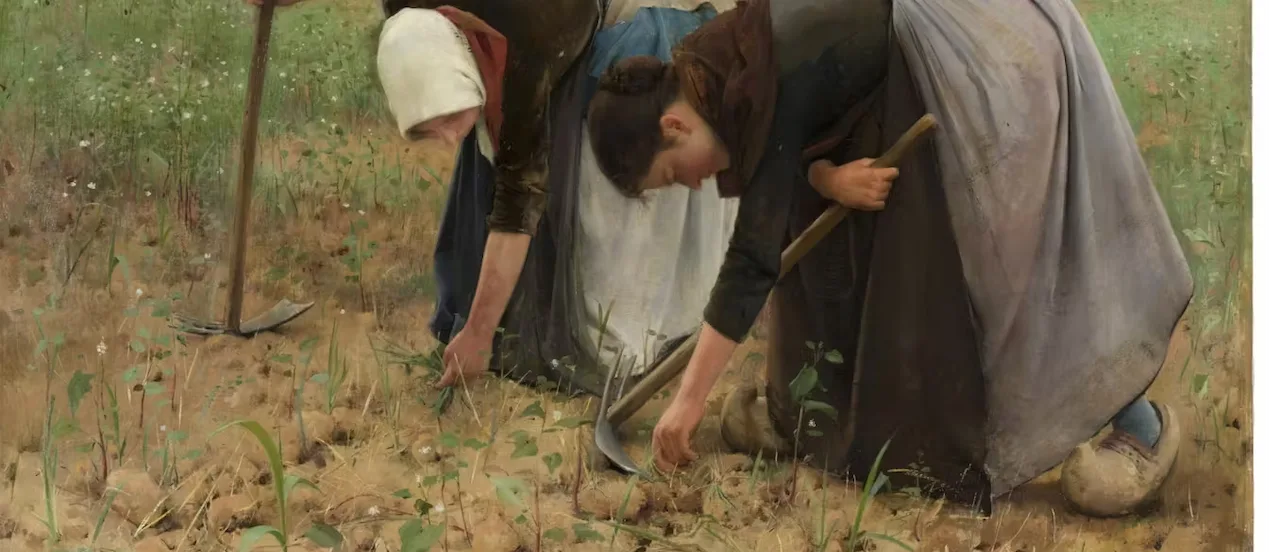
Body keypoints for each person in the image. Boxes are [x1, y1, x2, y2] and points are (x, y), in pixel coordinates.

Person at [585, 0, 1194, 517]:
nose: (692, 187)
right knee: (814, 219)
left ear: (672, 125)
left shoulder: (757, 67)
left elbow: (752, 259)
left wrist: (688, 401)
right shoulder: (716, 66)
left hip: (986, 69)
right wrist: (825, 178)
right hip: (894, 80)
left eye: (672, 175)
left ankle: (1139, 424)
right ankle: (806, 412)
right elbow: (803, 123)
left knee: (1003, 271)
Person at [249, 0, 743, 398]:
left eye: (444, 118)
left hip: (594, 21)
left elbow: (517, 202)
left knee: (554, 168)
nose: (443, 139)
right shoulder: (410, 12)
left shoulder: (530, 48)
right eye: (427, 128)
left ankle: (616, 332)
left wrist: (480, 335)